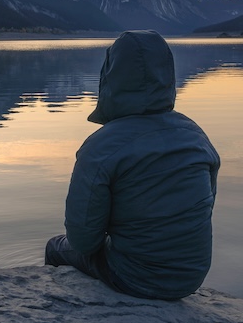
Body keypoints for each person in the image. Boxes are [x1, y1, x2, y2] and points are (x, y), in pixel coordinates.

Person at [45, 30, 220, 300]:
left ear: (110, 77)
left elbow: (83, 241)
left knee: (56, 247)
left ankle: (59, 308)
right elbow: (205, 205)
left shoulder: (102, 147)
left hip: (133, 277)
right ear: (168, 75)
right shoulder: (195, 135)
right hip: (191, 277)